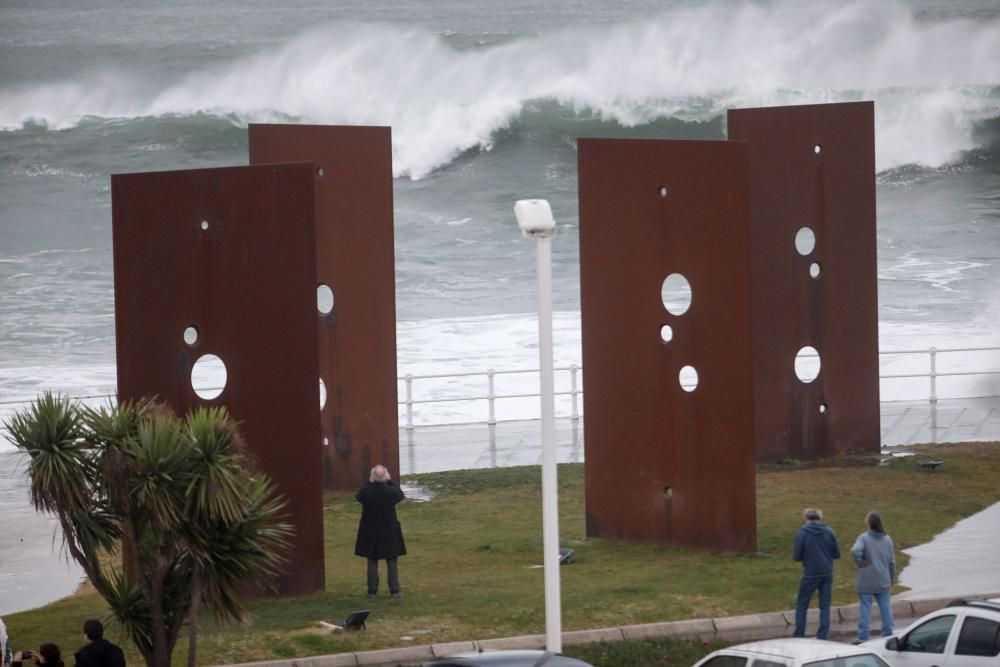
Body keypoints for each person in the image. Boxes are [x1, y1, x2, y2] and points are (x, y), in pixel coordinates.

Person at [354, 464, 406, 598]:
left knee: (372, 560)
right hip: (388, 529)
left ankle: (372, 591)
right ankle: (394, 590)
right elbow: (400, 494)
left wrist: (371, 480)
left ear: (372, 477)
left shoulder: (366, 491)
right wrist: (389, 481)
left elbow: (359, 495)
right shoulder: (391, 492)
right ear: (386, 477)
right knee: (392, 559)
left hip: (370, 529)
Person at [792, 507, 841, 640]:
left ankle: (799, 634)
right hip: (827, 572)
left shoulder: (803, 532)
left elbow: (797, 555)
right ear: (820, 517)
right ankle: (822, 634)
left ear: (806, 518)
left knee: (802, 604)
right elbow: (837, 553)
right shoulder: (829, 531)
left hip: (810, 573)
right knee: (825, 605)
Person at [851, 511, 896, 643]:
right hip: (883, 579)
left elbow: (855, 551)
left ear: (869, 523)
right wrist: (891, 578)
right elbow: (892, 562)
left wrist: (860, 563)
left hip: (866, 580)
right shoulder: (887, 539)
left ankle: (863, 637)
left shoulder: (863, 538)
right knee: (885, 607)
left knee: (865, 608)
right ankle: (888, 634)